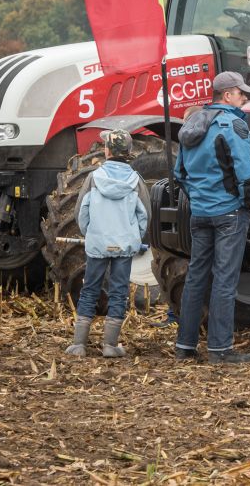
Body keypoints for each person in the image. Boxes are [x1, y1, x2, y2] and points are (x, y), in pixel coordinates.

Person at [173, 71, 250, 365]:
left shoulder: (193, 123)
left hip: (200, 213)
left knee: (196, 277)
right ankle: (221, 349)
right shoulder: (231, 123)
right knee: (224, 280)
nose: (245, 97)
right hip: (229, 212)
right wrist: (249, 205)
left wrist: (199, 197)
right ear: (227, 95)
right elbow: (245, 170)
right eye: (241, 93)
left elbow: (179, 174)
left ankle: (185, 345)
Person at [66, 129, 150, 358]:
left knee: (90, 289)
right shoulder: (136, 181)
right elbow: (145, 216)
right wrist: (134, 238)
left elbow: (80, 212)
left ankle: (79, 345)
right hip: (124, 246)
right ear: (129, 152)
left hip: (97, 244)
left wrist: (91, 233)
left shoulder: (93, 178)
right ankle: (110, 345)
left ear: (107, 151)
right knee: (119, 292)